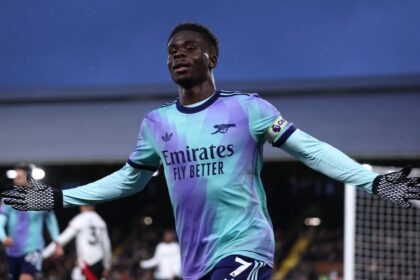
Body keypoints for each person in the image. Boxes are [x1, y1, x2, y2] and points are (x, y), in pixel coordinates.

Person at [2, 23, 420, 280]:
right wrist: (57, 197)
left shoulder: (249, 109)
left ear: (212, 58)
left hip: (246, 246)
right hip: (195, 258)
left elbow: (309, 149)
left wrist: (373, 180)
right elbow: (128, 181)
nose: (177, 54)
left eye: (187, 47)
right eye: (171, 51)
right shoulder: (157, 123)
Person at [0, 163, 63, 280]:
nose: (15, 180)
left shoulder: (42, 198)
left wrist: (57, 242)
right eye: (15, 177)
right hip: (13, 250)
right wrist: (3, 238)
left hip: (33, 248)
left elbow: (51, 220)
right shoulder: (8, 198)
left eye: (19, 177)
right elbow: (0, 220)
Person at [42, 205, 112, 280]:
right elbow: (106, 246)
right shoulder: (100, 221)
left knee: (75, 275)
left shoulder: (80, 220)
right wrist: (107, 265)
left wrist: (43, 255)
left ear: (82, 205)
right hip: (99, 263)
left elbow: (61, 240)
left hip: (86, 264)